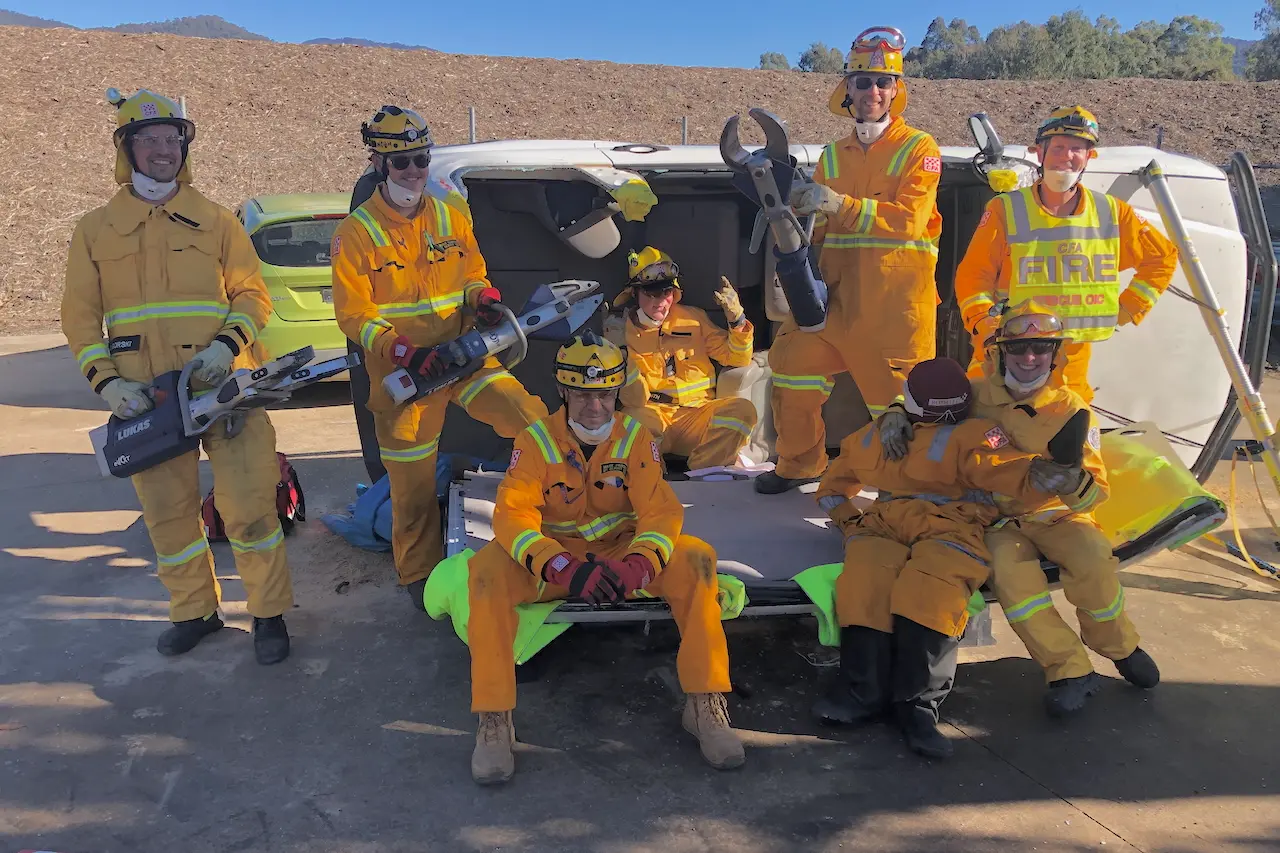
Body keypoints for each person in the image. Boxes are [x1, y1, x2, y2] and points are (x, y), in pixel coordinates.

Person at [62, 88, 294, 663]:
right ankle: (195, 613)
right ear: (127, 149)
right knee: (168, 515)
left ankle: (268, 615)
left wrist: (225, 347)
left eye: (173, 139)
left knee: (250, 509)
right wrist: (108, 384)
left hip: (227, 390)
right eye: (150, 140)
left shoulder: (217, 221)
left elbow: (253, 296)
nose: (164, 150)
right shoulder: (94, 231)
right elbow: (80, 317)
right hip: (148, 401)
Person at [466, 332, 744, 784]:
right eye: (581, 394)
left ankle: (705, 704)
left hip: (620, 559)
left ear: (617, 393)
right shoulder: (534, 440)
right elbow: (513, 518)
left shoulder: (637, 438)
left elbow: (660, 511)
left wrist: (638, 564)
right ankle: (494, 720)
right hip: (556, 564)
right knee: (486, 575)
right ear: (563, 391)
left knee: (697, 561)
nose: (594, 407)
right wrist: (562, 567)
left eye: (605, 395)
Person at [330, 105, 548, 610]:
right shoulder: (356, 233)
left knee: (533, 422)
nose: (414, 170)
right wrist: (402, 350)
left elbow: (472, 270)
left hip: (464, 357)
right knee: (412, 493)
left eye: (421, 158)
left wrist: (484, 299)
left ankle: (545, 524)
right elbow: (353, 315)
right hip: (406, 380)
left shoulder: (452, 212)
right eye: (402, 160)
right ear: (381, 164)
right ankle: (418, 579)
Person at [811, 357, 1079, 757]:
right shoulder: (970, 434)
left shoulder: (883, 436)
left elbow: (833, 489)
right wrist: (1050, 476)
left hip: (945, 525)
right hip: (901, 524)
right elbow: (1013, 475)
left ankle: (915, 708)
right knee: (866, 587)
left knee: (930, 593)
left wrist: (850, 521)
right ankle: (865, 694)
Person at [757, 25, 942, 495]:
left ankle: (904, 494)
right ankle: (799, 465)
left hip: (892, 316)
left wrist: (838, 204)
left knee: (899, 416)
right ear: (848, 89)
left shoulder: (921, 149)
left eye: (884, 82)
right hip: (834, 307)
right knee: (792, 369)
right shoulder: (832, 155)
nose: (873, 91)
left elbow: (909, 222)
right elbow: (820, 231)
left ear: (897, 91)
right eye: (863, 81)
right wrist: (797, 213)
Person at [968, 300, 1158, 716]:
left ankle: (1118, 647)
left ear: (1056, 354)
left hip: (1059, 513)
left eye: (1042, 348)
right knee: (1012, 582)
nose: (1030, 358)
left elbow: (1097, 490)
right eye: (1019, 349)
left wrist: (1072, 483)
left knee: (1093, 559)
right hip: (998, 518)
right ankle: (1070, 671)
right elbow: (919, 399)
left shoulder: (1073, 409)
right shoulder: (975, 392)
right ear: (1000, 351)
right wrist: (895, 413)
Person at [954, 106, 1179, 402]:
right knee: (987, 434)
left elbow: (1162, 257)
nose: (1067, 155)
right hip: (1007, 353)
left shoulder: (1112, 213)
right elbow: (974, 278)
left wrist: (1128, 307)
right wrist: (986, 327)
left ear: (1088, 157)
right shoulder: (1005, 210)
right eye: (1058, 147)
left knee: (1066, 440)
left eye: (1077, 149)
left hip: (1071, 364)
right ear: (1040, 153)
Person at [604, 246, 757, 471]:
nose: (660, 301)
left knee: (743, 410)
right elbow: (634, 401)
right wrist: (620, 352)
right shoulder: (620, 332)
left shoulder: (694, 318)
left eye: (666, 292)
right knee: (629, 422)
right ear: (635, 294)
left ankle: (705, 469)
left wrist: (737, 320)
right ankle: (653, 476)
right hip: (653, 415)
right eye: (651, 293)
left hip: (698, 416)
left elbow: (737, 359)